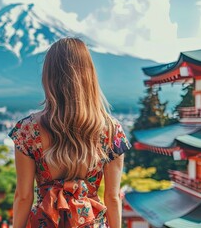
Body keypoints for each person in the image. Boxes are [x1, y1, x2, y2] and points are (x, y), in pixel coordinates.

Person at [9, 37, 131, 228]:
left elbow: (23, 197)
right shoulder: (112, 130)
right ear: (89, 76)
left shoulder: (28, 129)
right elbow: (112, 197)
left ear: (48, 77)